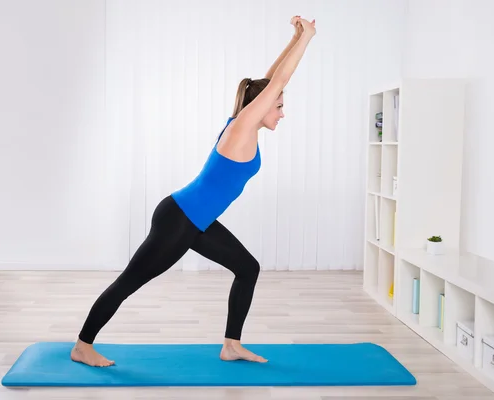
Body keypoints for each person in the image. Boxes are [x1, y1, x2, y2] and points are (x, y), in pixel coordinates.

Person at [71, 16, 317, 367]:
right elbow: (279, 80)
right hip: (179, 219)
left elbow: (271, 80)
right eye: (278, 106)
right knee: (130, 282)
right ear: (261, 106)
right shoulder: (241, 130)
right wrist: (307, 38)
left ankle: (231, 345)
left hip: (195, 220)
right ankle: (82, 345)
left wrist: (294, 38)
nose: (281, 113)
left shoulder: (244, 126)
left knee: (248, 268)